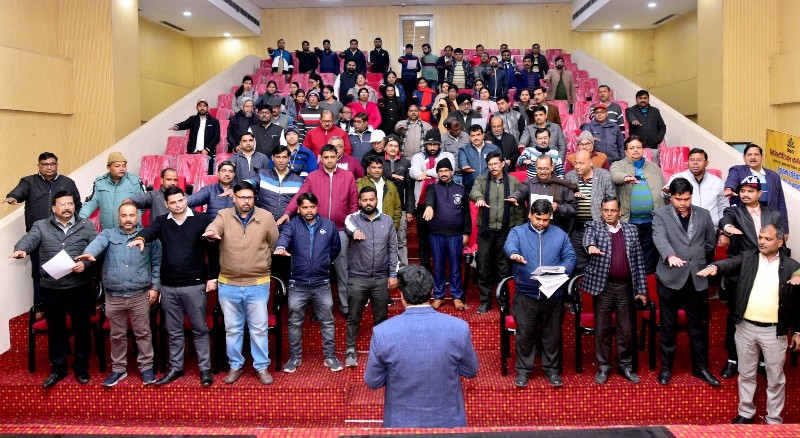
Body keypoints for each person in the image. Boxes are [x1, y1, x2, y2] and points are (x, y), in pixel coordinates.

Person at [697, 224, 800, 425]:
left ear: (780, 242)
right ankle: (745, 412)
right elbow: (729, 263)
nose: (762, 242)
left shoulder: (791, 266)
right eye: (760, 237)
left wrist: (797, 331)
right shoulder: (748, 258)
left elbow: (798, 304)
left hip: (774, 332)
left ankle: (774, 419)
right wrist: (715, 267)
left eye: (768, 239)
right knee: (746, 374)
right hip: (745, 328)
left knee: (776, 378)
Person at [364, 265, 479, 428]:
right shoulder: (459, 328)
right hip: (449, 424)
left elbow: (373, 381)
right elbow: (470, 371)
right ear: (431, 291)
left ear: (402, 295)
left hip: (400, 426)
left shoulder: (383, 332)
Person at [130, 186, 219, 387]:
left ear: (185, 199)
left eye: (181, 200)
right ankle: (176, 367)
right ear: (166, 204)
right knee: (174, 331)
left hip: (195, 285)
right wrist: (140, 238)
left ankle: (205, 369)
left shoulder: (202, 220)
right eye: (173, 202)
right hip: (169, 286)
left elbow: (213, 251)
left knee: (200, 329)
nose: (178, 205)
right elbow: (149, 230)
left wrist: (213, 277)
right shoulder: (162, 222)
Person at [10, 191, 97, 388]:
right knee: (56, 330)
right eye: (62, 204)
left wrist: (86, 265)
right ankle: (58, 369)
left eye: (70, 204)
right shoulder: (41, 225)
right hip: (52, 288)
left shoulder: (86, 225)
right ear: (54, 207)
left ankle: (81, 368)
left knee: (82, 328)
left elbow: (96, 249)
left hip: (79, 286)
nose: (67, 208)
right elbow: (29, 239)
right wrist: (21, 249)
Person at [76, 201, 160, 387]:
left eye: (131, 215)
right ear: (118, 217)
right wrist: (89, 253)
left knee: (143, 333)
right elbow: (96, 245)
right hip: (114, 296)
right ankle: (119, 369)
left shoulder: (149, 236)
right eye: (124, 215)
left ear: (138, 216)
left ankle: (146, 368)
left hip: (140, 295)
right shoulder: (108, 234)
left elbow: (157, 263)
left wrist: (155, 287)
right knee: (117, 335)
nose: (128, 219)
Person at [202, 181, 279, 386]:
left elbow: (273, 242)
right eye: (242, 197)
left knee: (259, 329)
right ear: (233, 198)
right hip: (229, 284)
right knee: (233, 329)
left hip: (258, 282)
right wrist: (212, 232)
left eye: (250, 197)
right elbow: (214, 227)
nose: (246, 201)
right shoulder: (223, 215)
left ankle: (261, 367)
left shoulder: (266, 217)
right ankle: (235, 365)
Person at [651, 177, 720, 387]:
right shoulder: (660, 214)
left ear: (692, 197)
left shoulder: (704, 214)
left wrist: (699, 263)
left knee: (697, 326)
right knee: (668, 325)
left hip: (696, 277)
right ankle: (666, 368)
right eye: (678, 199)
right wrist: (670, 255)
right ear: (671, 197)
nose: (683, 203)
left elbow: (710, 244)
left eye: (687, 199)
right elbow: (659, 238)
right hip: (670, 277)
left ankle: (701, 368)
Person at [504, 199, 577, 388]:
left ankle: (552, 371)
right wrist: (513, 253)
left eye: (545, 220)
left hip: (553, 294)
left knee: (552, 335)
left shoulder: (559, 234)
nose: (541, 223)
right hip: (526, 293)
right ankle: (523, 371)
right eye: (538, 219)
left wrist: (564, 269)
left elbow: (570, 257)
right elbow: (509, 245)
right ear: (530, 214)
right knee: (525, 335)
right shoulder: (518, 232)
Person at [717, 175, 784, 379]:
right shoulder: (734, 211)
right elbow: (725, 221)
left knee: (763, 315)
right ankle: (732, 359)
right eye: (743, 191)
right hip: (740, 273)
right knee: (735, 317)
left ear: (759, 193)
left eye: (750, 191)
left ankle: (762, 361)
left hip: (766, 272)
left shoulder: (773, 214)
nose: (745, 194)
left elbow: (780, 243)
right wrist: (727, 229)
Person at [279, 144, 358, 316]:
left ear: (337, 157)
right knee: (316, 268)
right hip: (315, 229)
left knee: (342, 269)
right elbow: (300, 196)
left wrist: (353, 228)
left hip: (340, 229)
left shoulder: (348, 176)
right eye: (326, 157)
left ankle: (346, 306)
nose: (329, 160)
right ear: (321, 159)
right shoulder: (313, 176)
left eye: (332, 157)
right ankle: (317, 309)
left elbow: (353, 204)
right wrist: (287, 213)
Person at [274, 193, 344, 373]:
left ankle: (330, 356)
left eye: (312, 207)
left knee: (327, 321)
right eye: (305, 207)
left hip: (322, 282)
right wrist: (280, 247)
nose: (309, 210)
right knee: (295, 322)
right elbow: (284, 238)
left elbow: (335, 248)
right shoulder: (291, 225)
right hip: (298, 283)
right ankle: (295, 357)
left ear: (317, 207)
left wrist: (324, 262)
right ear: (298, 209)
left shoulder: (329, 226)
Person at [582, 196, 648, 385]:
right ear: (601, 211)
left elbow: (638, 261)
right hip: (604, 287)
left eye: (613, 210)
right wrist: (591, 247)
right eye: (606, 210)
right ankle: (603, 366)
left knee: (626, 329)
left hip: (626, 287)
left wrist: (642, 290)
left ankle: (625, 366)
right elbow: (588, 241)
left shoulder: (631, 230)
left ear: (620, 212)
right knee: (602, 329)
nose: (609, 214)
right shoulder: (593, 227)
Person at [4, 152, 81, 308]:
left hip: (63, 235)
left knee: (66, 270)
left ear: (57, 165)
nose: (49, 167)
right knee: (39, 272)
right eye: (45, 164)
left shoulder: (67, 182)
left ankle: (65, 307)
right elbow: (19, 191)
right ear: (39, 166)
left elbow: (78, 205)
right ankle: (40, 306)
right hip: (38, 236)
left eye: (52, 164)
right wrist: (13, 197)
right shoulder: (29, 181)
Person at [343, 186, 399, 367]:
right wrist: (355, 232)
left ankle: (381, 351)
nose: (368, 203)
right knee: (353, 316)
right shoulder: (353, 219)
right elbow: (347, 225)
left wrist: (393, 274)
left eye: (371, 199)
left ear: (376, 200)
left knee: (381, 318)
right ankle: (350, 350)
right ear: (360, 202)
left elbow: (393, 249)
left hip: (381, 278)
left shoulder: (387, 221)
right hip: (358, 278)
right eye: (365, 200)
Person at [469, 151, 526, 314]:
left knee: (504, 268)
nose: (493, 167)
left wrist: (518, 231)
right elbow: (474, 191)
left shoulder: (513, 182)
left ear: (502, 164)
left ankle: (504, 301)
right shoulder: (481, 180)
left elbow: (519, 209)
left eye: (496, 164)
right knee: (484, 267)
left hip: (506, 231)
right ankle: (485, 301)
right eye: (490, 164)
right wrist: (479, 198)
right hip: (486, 231)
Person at [610, 135, 666, 271]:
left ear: (643, 149)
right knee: (628, 258)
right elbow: (615, 176)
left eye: (638, 147)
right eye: (631, 148)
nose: (635, 150)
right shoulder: (618, 165)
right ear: (625, 151)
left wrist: (668, 192)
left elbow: (663, 189)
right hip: (628, 222)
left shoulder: (654, 167)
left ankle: (647, 281)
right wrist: (626, 177)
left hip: (652, 222)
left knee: (649, 260)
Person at [423, 158, 471, 311]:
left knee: (456, 267)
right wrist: (429, 206)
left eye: (446, 171)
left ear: (451, 172)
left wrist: (466, 232)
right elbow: (429, 199)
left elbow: (466, 213)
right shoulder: (432, 188)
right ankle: (439, 296)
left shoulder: (461, 189)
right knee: (438, 266)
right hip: (436, 234)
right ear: (437, 173)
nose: (443, 173)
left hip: (455, 235)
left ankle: (456, 296)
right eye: (440, 171)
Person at [410, 130, 456, 272]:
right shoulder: (418, 156)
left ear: (439, 144)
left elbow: (449, 171)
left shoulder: (447, 155)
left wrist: (426, 173)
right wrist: (421, 174)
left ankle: (441, 272)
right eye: (429, 144)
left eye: (435, 144)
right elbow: (413, 172)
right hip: (422, 204)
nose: (431, 147)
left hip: (442, 205)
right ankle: (425, 272)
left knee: (440, 240)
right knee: (423, 241)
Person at [565, 150, 616, 271]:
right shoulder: (569, 176)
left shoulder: (605, 176)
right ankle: (580, 282)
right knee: (578, 263)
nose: (577, 166)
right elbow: (565, 200)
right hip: (576, 227)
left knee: (599, 262)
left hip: (598, 226)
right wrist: (573, 195)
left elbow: (612, 200)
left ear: (590, 162)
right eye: (576, 163)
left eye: (581, 163)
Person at [723, 144, 789, 236]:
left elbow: (781, 203)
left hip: (769, 223)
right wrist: (729, 188)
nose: (753, 157)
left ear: (762, 157)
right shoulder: (737, 170)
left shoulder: (774, 176)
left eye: (756, 154)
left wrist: (785, 230)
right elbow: (732, 180)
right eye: (749, 154)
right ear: (744, 157)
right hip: (745, 224)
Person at [507, 155, 577, 233]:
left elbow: (573, 209)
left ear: (552, 167)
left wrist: (558, 207)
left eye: (545, 168)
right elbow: (520, 192)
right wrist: (514, 197)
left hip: (555, 230)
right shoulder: (529, 183)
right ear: (536, 168)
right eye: (540, 168)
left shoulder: (562, 185)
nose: (542, 171)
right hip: (532, 230)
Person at [79, 152, 145, 230]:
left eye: (124, 166)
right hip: (107, 230)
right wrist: (80, 220)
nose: (121, 169)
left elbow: (145, 203)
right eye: (117, 166)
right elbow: (90, 204)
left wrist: (135, 216)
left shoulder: (135, 182)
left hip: (131, 231)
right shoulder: (99, 183)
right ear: (108, 167)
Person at [665, 148, 727, 227]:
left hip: (710, 227)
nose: (695, 163)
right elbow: (667, 196)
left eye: (699, 160)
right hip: (683, 227)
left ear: (706, 163)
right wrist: (666, 192)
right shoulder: (677, 178)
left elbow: (723, 207)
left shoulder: (717, 182)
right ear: (687, 162)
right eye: (692, 160)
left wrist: (723, 227)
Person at [382, 135, 414, 268]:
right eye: (390, 145)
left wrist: (409, 210)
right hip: (382, 207)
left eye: (396, 146)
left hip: (401, 208)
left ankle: (404, 269)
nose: (393, 148)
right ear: (385, 147)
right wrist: (391, 175)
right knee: (382, 240)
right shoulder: (379, 162)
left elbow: (410, 188)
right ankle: (384, 268)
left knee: (401, 240)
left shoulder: (406, 163)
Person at [625, 90, 666, 163]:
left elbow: (662, 126)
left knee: (652, 166)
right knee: (637, 167)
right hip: (637, 147)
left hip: (653, 146)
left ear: (648, 99)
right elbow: (630, 116)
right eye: (640, 98)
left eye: (645, 98)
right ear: (636, 99)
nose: (643, 100)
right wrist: (633, 120)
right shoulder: (630, 110)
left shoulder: (655, 111)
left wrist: (658, 139)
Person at [458, 124, 501, 193]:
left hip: (492, 187)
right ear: (469, 137)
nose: (476, 138)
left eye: (478, 135)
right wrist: (464, 166)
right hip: (471, 189)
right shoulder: (464, 150)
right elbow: (462, 162)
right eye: (473, 135)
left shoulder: (494, 149)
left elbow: (503, 167)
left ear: (483, 135)